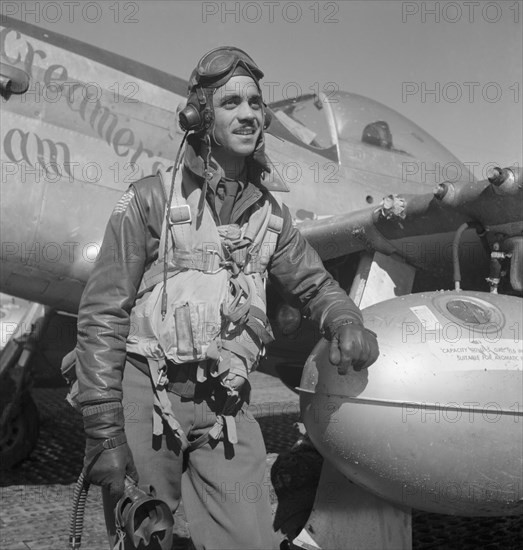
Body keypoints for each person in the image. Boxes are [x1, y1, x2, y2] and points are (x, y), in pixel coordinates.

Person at [74, 46, 379, 550]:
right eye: (231, 102)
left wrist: (345, 318)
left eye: (256, 104)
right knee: (147, 540)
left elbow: (315, 284)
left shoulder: (271, 216)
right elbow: (102, 314)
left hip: (223, 405)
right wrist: (102, 431)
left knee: (251, 539)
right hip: (146, 395)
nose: (248, 114)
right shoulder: (149, 199)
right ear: (200, 116)